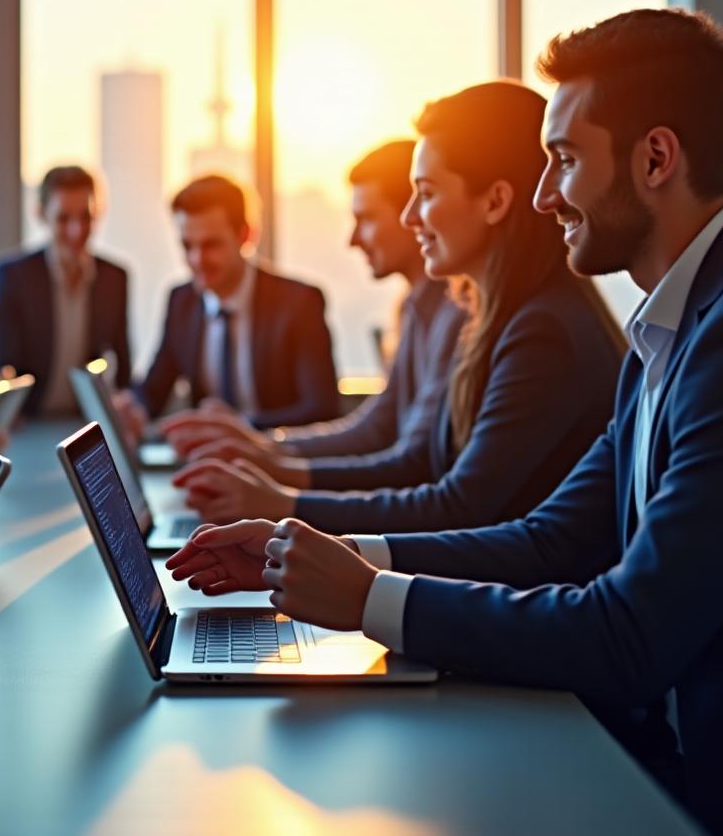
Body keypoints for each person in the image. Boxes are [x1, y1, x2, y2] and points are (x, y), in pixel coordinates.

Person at [167, 9, 723, 834]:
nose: (544, 195)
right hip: (708, 755)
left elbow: (629, 635)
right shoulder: (681, 324)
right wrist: (327, 557)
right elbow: (549, 539)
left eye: (565, 161)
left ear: (655, 158)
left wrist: (370, 600)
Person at [172, 85, 624, 533]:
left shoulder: (536, 329)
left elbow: (455, 500)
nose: (411, 218)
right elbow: (401, 442)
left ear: (495, 201)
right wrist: (269, 461)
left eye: (425, 194)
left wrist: (284, 499)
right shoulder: (493, 315)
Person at [156, 139, 464, 490]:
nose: (352, 240)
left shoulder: (452, 313)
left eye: (366, 219)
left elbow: (414, 462)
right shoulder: (414, 308)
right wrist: (261, 448)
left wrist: (273, 474)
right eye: (187, 246)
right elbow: (378, 427)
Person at [118, 174, 339, 434]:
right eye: (187, 245)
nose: (197, 259)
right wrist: (134, 410)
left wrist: (241, 427)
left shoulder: (299, 303)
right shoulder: (182, 302)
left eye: (211, 245)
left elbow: (322, 408)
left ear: (246, 235)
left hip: (278, 460)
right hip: (205, 462)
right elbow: (154, 390)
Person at [0, 165, 132, 415]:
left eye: (86, 217)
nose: (77, 231)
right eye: (64, 219)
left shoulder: (114, 279)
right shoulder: (14, 277)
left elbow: (123, 367)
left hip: (86, 424)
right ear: (41, 214)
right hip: (28, 422)